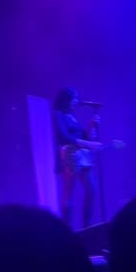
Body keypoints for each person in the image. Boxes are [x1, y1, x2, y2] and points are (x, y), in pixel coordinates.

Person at [53, 87, 102, 228]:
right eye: (74, 98)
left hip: (82, 155)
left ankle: (88, 226)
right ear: (66, 100)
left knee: (92, 190)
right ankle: (66, 228)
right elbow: (64, 137)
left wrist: (91, 125)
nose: (77, 101)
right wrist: (88, 144)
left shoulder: (72, 117)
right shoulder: (58, 114)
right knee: (69, 192)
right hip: (70, 154)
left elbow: (83, 136)